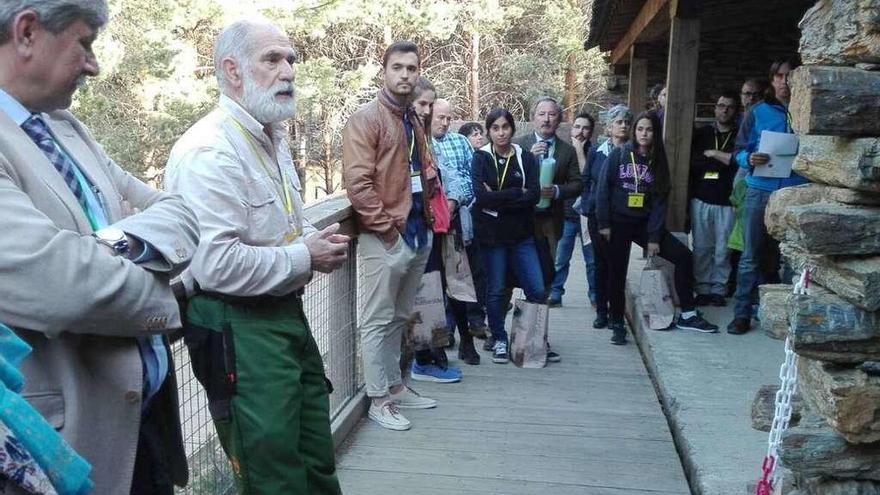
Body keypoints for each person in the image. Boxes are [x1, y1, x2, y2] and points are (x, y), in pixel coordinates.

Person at [0, 1, 200, 493]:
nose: (93, 64)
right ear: (27, 32)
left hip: (146, 425)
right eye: (85, 42)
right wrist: (169, 285)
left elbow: (176, 209)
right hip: (73, 449)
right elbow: (66, 286)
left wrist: (108, 243)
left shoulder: (66, 128)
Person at [164, 19, 349, 494]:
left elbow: (279, 223)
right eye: (272, 59)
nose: (288, 70)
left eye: (290, 59)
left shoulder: (271, 135)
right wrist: (304, 257)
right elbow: (215, 264)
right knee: (273, 474)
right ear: (233, 70)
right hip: (236, 327)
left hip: (284, 315)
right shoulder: (209, 151)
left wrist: (311, 238)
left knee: (315, 455)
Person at [343, 41, 441, 431]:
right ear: (384, 71)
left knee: (399, 315)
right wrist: (388, 234)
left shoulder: (411, 117)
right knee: (377, 318)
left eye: (411, 68)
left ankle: (396, 388)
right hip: (388, 237)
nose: (405, 75)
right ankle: (378, 398)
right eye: (397, 67)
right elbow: (358, 184)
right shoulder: (366, 119)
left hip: (417, 230)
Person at [596, 112, 718, 345]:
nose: (644, 134)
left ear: (655, 133)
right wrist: (604, 224)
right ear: (634, 131)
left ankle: (688, 314)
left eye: (649, 130)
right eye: (640, 129)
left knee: (683, 256)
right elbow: (603, 190)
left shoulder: (658, 160)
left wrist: (654, 237)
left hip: (644, 224)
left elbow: (660, 200)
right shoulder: (619, 155)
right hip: (618, 224)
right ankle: (618, 324)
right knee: (616, 274)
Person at [727, 56, 808, 335]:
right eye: (780, 76)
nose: (785, 82)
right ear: (772, 80)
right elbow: (739, 150)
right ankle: (741, 314)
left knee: (788, 257)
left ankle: (785, 315)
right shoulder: (758, 111)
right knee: (750, 255)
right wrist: (749, 158)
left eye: (790, 76)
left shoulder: (807, 110)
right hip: (760, 188)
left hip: (794, 190)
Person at [472, 108, 543, 364]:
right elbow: (481, 198)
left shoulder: (525, 157)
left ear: (512, 129)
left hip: (522, 235)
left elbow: (534, 195)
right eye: (495, 128)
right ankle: (500, 337)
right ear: (489, 131)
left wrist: (498, 199)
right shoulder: (481, 157)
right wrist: (515, 193)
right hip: (492, 238)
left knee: (536, 287)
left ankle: (527, 337)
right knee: (496, 289)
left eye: (505, 127)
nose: (501, 132)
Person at [513, 97, 582, 363]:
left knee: (544, 278)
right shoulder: (520, 145)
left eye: (552, 114)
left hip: (550, 221)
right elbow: (509, 178)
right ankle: (502, 336)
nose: (546, 119)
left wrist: (556, 191)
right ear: (533, 117)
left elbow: (578, 184)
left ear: (560, 119)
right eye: (541, 114)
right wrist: (529, 160)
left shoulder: (566, 150)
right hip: (521, 221)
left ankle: (538, 336)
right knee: (511, 278)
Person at [407, 77, 462, 382]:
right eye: (422, 104)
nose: (427, 111)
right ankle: (423, 361)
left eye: (431, 104)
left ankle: (431, 357)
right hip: (412, 225)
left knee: (432, 289)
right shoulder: (406, 134)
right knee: (424, 291)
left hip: (432, 224)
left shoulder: (423, 138)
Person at [432, 97, 486, 365]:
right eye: (439, 117)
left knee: (460, 282)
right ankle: (437, 346)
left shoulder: (460, 142)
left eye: (448, 118)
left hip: (457, 221)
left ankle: (466, 339)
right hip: (428, 226)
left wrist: (454, 201)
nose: (444, 122)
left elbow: (471, 178)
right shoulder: (419, 144)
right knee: (431, 287)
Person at [581, 104, 631, 329]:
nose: (623, 126)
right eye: (619, 122)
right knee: (600, 264)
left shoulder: (633, 154)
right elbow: (586, 181)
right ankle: (601, 311)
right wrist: (586, 204)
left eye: (627, 122)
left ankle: (615, 314)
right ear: (609, 127)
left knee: (616, 266)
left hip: (621, 218)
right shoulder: (596, 152)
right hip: (596, 216)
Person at [689, 91, 739, 307]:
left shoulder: (739, 135)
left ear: (735, 111)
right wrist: (721, 161)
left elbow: (737, 163)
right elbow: (694, 163)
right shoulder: (703, 134)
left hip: (727, 201)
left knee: (723, 249)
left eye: (729, 106)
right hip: (701, 198)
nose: (724, 110)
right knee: (701, 247)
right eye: (721, 105)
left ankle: (719, 288)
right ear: (715, 108)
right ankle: (702, 288)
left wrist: (714, 155)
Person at [548, 112, 596, 308]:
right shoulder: (564, 151)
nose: (580, 132)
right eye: (577, 127)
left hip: (588, 215)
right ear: (571, 129)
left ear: (591, 132)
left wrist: (580, 150)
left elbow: (586, 179)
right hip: (567, 213)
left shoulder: (595, 152)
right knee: (561, 258)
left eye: (585, 128)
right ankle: (555, 293)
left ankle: (595, 296)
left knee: (591, 260)